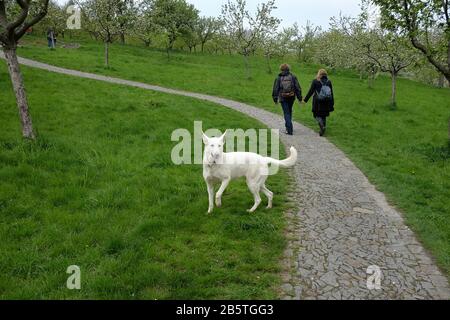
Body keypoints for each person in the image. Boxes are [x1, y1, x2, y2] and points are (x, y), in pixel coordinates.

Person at [272, 64, 302, 136]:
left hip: (283, 97)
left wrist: (275, 99)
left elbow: (275, 89)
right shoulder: (293, 76)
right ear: (289, 69)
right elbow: (297, 87)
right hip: (291, 96)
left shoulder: (279, 78)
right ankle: (288, 127)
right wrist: (299, 98)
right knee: (289, 111)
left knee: (286, 112)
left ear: (281, 69)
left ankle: (289, 129)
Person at [304, 69, 335, 136]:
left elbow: (311, 91)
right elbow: (331, 93)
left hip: (317, 101)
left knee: (316, 115)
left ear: (319, 74)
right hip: (326, 101)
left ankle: (321, 125)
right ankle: (323, 130)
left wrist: (305, 100)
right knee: (323, 115)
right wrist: (332, 103)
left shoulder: (315, 81)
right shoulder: (329, 82)